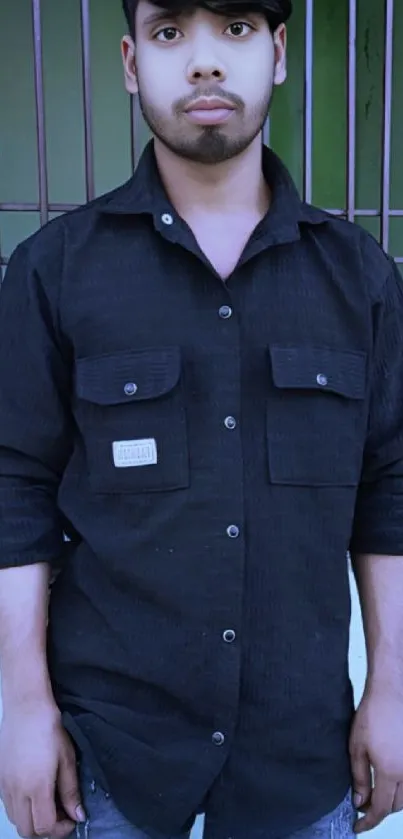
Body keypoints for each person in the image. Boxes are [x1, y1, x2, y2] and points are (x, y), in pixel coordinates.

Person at [1, 0, 403, 837]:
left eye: (237, 28)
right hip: (109, 761)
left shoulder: (358, 279)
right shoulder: (54, 270)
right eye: (170, 32)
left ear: (279, 53)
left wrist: (393, 691)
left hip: (300, 759)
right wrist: (22, 708)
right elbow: (15, 490)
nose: (205, 63)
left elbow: (389, 488)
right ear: (128, 61)